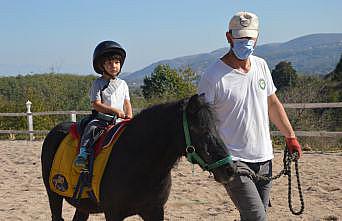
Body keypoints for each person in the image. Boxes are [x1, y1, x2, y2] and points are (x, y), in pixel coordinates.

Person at [198, 11, 302, 221]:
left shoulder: (261, 66)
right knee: (257, 217)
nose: (246, 42)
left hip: (264, 157)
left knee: (256, 215)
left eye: (250, 38)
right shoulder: (212, 76)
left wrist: (290, 136)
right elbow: (200, 121)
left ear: (257, 37)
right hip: (233, 159)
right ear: (229, 38)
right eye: (241, 38)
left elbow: (272, 103)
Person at [74, 40, 133, 168]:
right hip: (102, 119)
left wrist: (129, 115)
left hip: (120, 120)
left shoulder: (123, 84)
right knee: (90, 128)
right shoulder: (97, 83)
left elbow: (126, 102)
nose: (114, 66)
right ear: (102, 66)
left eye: (117, 63)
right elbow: (96, 104)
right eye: (110, 63)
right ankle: (83, 153)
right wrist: (114, 111)